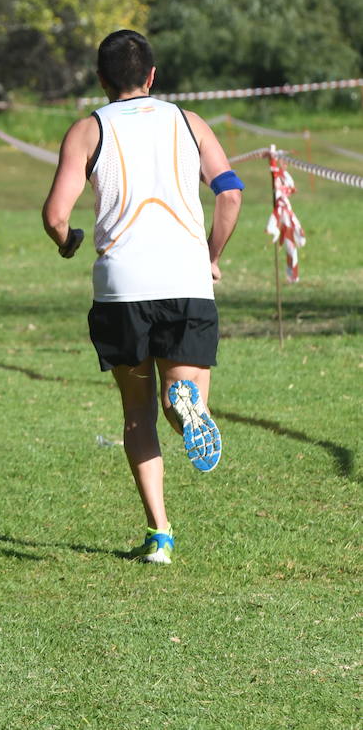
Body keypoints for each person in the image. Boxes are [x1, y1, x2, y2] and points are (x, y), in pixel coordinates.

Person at [41, 29, 243, 564]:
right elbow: (230, 193)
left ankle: (160, 535)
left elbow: (56, 216)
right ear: (152, 76)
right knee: (188, 400)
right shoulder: (189, 121)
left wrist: (69, 244)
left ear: (102, 80)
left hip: (121, 287)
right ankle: (189, 406)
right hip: (185, 279)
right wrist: (211, 254)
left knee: (137, 416)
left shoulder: (88, 130)